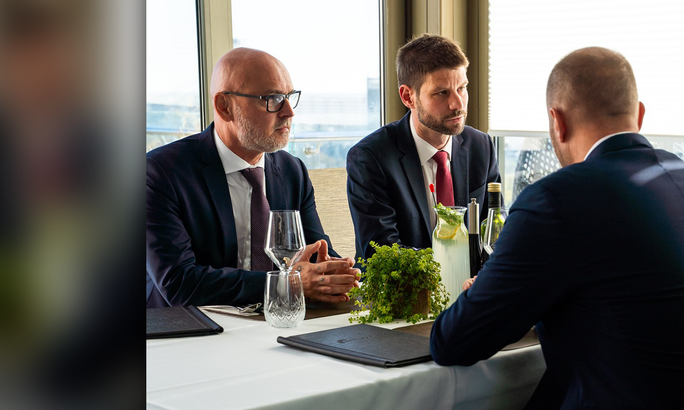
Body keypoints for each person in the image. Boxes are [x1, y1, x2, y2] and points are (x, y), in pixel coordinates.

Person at [429, 47, 684, 410]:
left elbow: (452, 342)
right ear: (640, 114)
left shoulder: (557, 198)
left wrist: (492, 291)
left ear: (557, 123)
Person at [146, 47, 359, 307]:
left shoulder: (293, 171)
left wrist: (335, 272)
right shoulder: (160, 172)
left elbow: (313, 255)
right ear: (225, 107)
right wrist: (287, 283)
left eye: (290, 97)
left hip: (276, 325)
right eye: (272, 98)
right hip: (192, 333)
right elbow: (179, 283)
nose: (289, 112)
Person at [346, 34, 500, 261]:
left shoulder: (481, 147)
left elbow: (494, 236)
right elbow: (382, 254)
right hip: (405, 293)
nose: (457, 104)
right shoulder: (370, 158)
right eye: (442, 93)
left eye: (462, 88)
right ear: (408, 97)